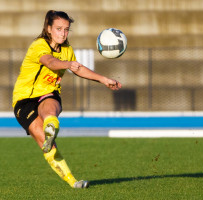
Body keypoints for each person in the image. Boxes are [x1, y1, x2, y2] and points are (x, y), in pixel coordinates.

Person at [12, 10, 122, 189]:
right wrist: (67, 64)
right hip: (24, 99)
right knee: (47, 147)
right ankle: (70, 176)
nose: (63, 33)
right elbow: (50, 62)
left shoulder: (67, 50)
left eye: (66, 29)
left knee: (49, 109)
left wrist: (104, 79)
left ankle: (52, 129)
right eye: (58, 29)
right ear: (48, 29)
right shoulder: (39, 45)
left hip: (48, 94)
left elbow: (78, 69)